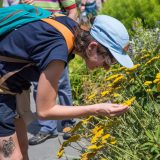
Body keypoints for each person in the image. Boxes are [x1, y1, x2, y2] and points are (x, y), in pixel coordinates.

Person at [0, 4, 133, 159]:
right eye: (108, 61)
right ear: (92, 46)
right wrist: (96, 109)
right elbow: (45, 111)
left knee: (23, 148)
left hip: (12, 87)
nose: (106, 69)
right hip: (3, 90)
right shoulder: (58, 51)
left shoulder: (70, 27)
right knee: (11, 156)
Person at [21, 0, 78, 145]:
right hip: (35, 42)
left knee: (62, 84)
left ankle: (68, 123)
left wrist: (64, 33)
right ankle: (47, 127)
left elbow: (72, 10)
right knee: (37, 84)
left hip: (55, 41)